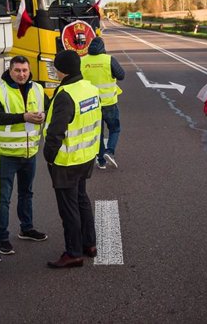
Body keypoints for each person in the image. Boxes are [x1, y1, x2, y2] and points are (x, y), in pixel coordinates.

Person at [0, 55, 48, 258]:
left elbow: (47, 108)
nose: (22, 74)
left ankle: (27, 228)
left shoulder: (38, 89)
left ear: (29, 71)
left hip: (29, 153)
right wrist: (24, 117)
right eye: (17, 70)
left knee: (27, 193)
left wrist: (44, 115)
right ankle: (2, 239)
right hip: (6, 155)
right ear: (9, 71)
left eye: (25, 70)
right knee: (3, 200)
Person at [43, 50, 101, 268]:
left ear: (62, 70)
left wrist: (49, 156)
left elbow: (56, 132)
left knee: (69, 208)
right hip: (86, 155)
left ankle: (74, 252)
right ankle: (90, 244)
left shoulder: (65, 94)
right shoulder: (89, 88)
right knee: (82, 199)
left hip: (67, 160)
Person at [81, 37, 125, 169]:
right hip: (109, 103)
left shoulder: (82, 61)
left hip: (90, 104)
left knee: (97, 133)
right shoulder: (109, 60)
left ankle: (101, 161)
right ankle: (109, 151)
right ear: (103, 48)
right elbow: (121, 75)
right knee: (114, 128)